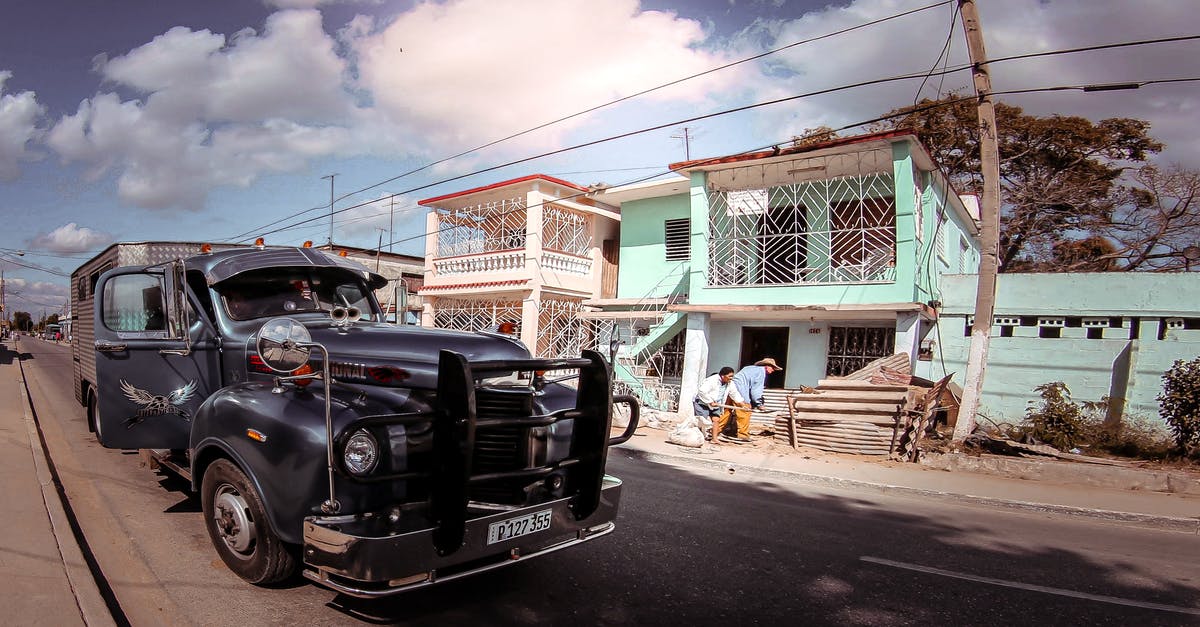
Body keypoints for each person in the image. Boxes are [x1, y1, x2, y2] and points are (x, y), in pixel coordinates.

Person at [713, 357, 782, 445]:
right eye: (772, 368)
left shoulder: (749, 368)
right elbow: (756, 390)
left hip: (730, 387)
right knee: (745, 410)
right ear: (767, 366)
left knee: (726, 411)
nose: (773, 370)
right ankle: (743, 435)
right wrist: (759, 404)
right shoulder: (761, 372)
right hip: (740, 390)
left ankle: (715, 431)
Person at [693, 366, 735, 434]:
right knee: (702, 421)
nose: (731, 378)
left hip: (716, 403)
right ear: (723, 376)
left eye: (732, 376)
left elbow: (734, 393)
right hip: (702, 402)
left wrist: (742, 404)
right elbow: (702, 391)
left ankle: (714, 439)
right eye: (730, 376)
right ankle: (698, 435)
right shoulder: (712, 380)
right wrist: (710, 401)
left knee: (716, 420)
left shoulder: (730, 383)